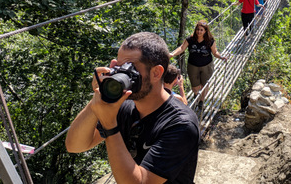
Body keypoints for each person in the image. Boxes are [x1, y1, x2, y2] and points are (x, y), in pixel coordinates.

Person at [66, 32, 200, 183]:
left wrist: (110, 125)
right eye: (119, 67)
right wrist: (99, 97)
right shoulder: (124, 106)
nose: (123, 75)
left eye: (131, 68)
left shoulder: (181, 123)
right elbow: (75, 145)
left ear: (156, 73)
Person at [169, 21, 227, 111]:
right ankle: (196, 95)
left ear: (205, 31)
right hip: (193, 65)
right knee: (195, 86)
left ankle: (201, 101)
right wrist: (172, 54)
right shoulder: (190, 39)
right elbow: (181, 48)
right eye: (197, 29)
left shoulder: (210, 40)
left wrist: (221, 57)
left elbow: (215, 52)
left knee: (205, 84)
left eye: (201, 30)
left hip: (207, 66)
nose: (199, 32)